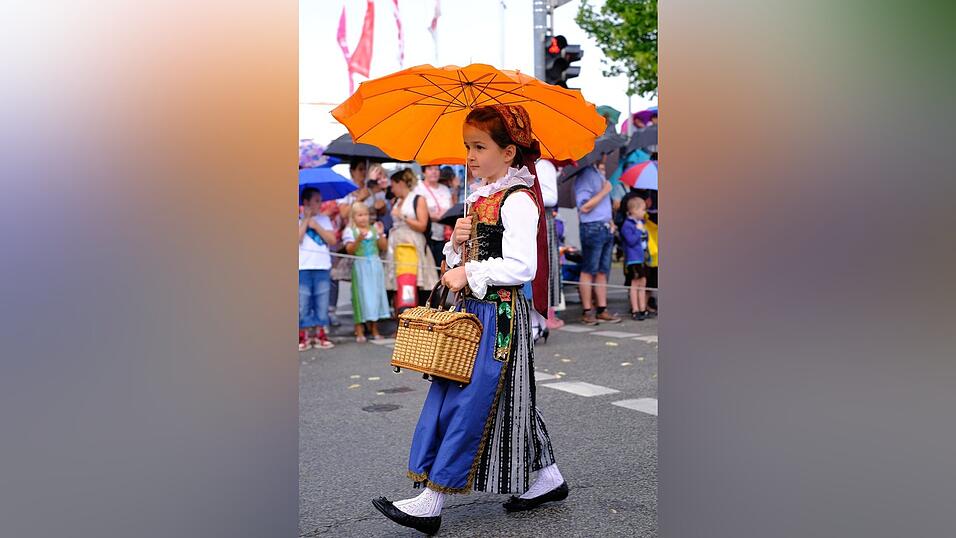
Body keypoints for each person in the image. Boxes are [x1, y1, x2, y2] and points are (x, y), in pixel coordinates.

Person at [372, 105, 565, 536]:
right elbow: (465, 261)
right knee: (505, 398)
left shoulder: (518, 200)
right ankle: (547, 476)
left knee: (470, 398)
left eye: (480, 147)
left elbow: (521, 267)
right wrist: (456, 247)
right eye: (467, 147)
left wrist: (470, 271)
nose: (471, 156)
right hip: (472, 313)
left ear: (510, 152)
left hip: (499, 316)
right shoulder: (480, 198)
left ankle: (432, 499)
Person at [573, 156, 622, 325]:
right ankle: (588, 311)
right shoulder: (586, 174)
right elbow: (584, 206)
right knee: (589, 270)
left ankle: (602, 308)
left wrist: (611, 221)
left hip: (604, 226)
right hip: (592, 227)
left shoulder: (596, 172)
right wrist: (604, 191)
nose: (606, 155)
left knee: (602, 271)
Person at [384, 168, 440, 307]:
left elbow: (422, 225)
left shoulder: (418, 199)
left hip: (413, 244)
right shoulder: (396, 201)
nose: (392, 189)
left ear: (401, 183)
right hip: (396, 245)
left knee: (413, 279)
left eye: (393, 185)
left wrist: (402, 216)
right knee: (400, 282)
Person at [343, 202, 390, 342]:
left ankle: (374, 327)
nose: (363, 218)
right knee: (361, 296)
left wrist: (381, 234)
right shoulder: (350, 231)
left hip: (375, 266)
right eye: (360, 215)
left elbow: (384, 247)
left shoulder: (373, 229)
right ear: (353, 217)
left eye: (366, 214)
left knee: (375, 296)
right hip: (360, 266)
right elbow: (349, 250)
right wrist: (359, 239)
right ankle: (359, 328)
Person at [297, 188, 336, 350]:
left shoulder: (324, 220)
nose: (320, 204)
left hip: (321, 266)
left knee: (322, 301)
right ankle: (303, 334)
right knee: (303, 302)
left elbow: (332, 240)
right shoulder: (298, 220)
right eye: (317, 201)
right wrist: (306, 221)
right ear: (306, 202)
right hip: (303, 267)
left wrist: (316, 225)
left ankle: (320, 333)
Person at [415, 164, 453, 269]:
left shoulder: (445, 189)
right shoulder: (418, 188)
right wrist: (431, 215)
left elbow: (451, 207)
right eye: (430, 169)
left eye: (436, 169)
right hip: (426, 234)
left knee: (441, 266)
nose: (434, 172)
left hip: (444, 235)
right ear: (424, 172)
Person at [620, 197, 651, 320]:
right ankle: (635, 309)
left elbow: (645, 239)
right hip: (633, 259)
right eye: (643, 210)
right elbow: (631, 241)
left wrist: (644, 231)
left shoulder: (641, 223)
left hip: (642, 257)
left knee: (643, 283)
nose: (644, 212)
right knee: (635, 284)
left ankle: (643, 308)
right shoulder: (627, 225)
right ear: (634, 210)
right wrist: (638, 231)